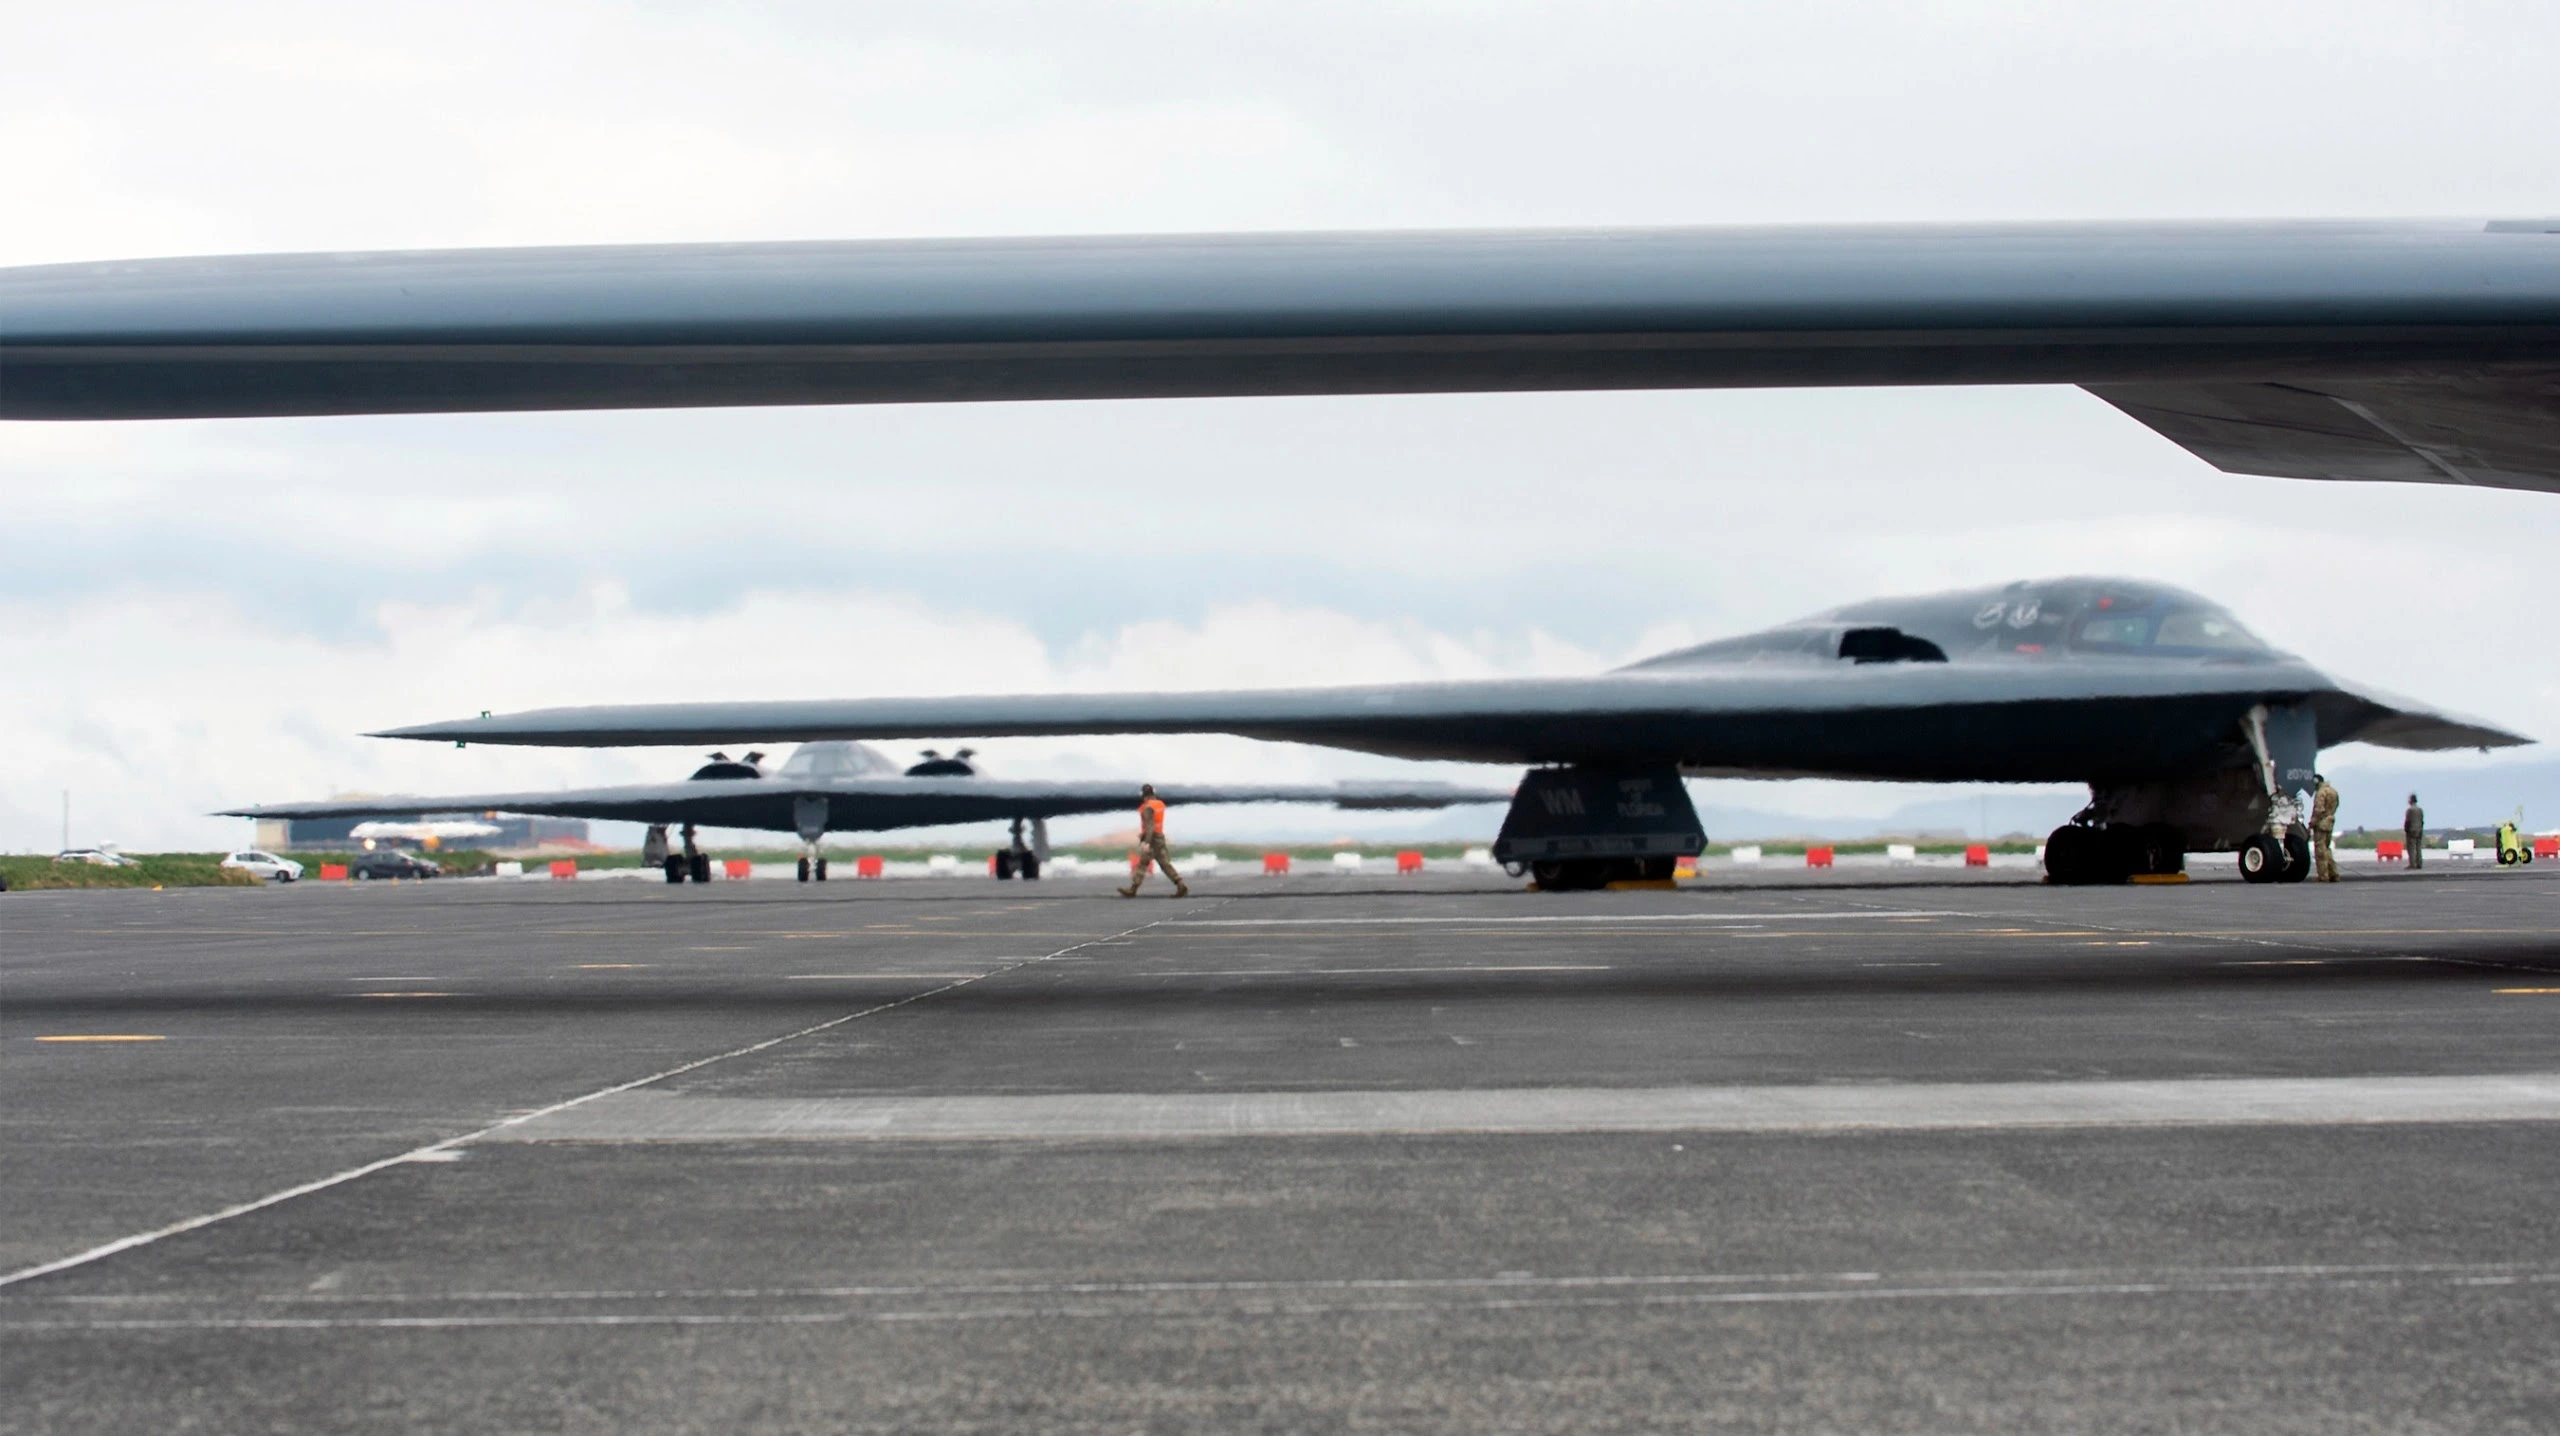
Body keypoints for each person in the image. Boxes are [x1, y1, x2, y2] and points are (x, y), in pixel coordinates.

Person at [1117, 784, 1188, 898]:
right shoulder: (1159, 804)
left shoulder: (1147, 808)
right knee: (1160, 863)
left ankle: (1133, 889)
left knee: (1146, 864)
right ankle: (1180, 885)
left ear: (1143, 795)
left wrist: (1147, 842)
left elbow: (1150, 826)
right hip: (1159, 837)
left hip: (1153, 839)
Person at [2309, 773, 2340, 882]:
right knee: (2327, 849)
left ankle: (2323, 876)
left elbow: (2319, 810)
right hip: (2330, 822)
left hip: (2321, 824)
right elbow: (2336, 805)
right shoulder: (2333, 791)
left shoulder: (2321, 793)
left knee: (2320, 851)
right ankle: (2333, 874)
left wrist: (2312, 823)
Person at [2404, 793, 2425, 871]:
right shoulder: (2420, 810)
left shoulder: (2410, 810)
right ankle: (2419, 863)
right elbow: (2422, 821)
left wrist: (2406, 830)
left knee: (2411, 848)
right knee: (2418, 847)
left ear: (2411, 800)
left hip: (2411, 830)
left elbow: (2407, 821)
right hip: (2419, 830)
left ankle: (2412, 864)